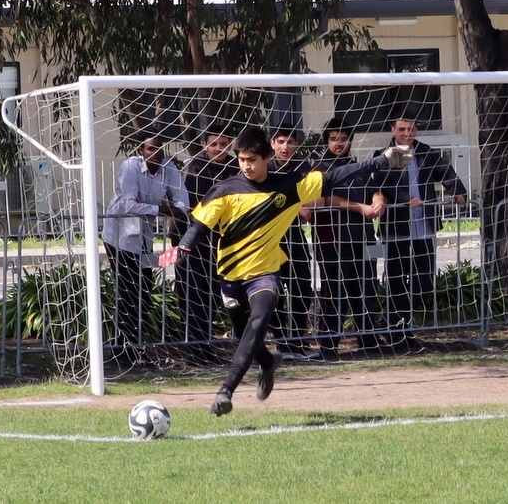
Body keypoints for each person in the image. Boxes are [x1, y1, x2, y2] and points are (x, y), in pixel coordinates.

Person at [159, 126, 413, 416]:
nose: (246, 165)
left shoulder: (289, 186)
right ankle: (267, 363)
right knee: (244, 336)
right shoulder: (224, 191)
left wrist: (383, 160)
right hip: (230, 277)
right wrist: (184, 248)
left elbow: (337, 175)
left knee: (257, 322)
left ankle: (225, 390)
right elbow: (199, 226)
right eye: (242, 159)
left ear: (267, 157)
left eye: (252, 159)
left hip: (265, 274)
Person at [373, 106, 467, 351]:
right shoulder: (385, 154)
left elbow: (445, 172)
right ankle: (399, 330)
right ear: (392, 130)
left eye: (411, 128)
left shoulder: (425, 152)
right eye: (402, 128)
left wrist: (457, 191)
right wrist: (404, 198)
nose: (407, 133)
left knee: (423, 280)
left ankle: (392, 321)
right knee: (396, 279)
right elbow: (381, 185)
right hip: (397, 227)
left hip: (423, 228)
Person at [101, 131, 188, 365]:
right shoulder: (130, 167)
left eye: (159, 149)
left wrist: (170, 208)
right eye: (150, 149)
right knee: (128, 292)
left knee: (144, 292)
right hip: (119, 237)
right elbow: (129, 204)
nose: (156, 153)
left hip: (145, 240)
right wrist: (162, 208)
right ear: (141, 151)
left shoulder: (169, 169)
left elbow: (183, 201)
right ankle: (121, 351)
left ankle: (136, 348)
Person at [311, 117, 390, 359]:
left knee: (365, 288)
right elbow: (324, 201)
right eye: (334, 139)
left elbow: (375, 190)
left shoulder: (360, 167)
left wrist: (378, 201)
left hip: (363, 237)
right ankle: (328, 345)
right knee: (334, 291)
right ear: (326, 141)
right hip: (332, 239)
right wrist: (359, 207)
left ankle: (368, 340)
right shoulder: (319, 170)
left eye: (343, 139)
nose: (339, 143)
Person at [168, 125, 238, 365]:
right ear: (205, 145)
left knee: (210, 295)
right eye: (214, 144)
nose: (219, 149)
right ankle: (195, 351)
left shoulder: (234, 166)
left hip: (218, 242)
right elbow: (187, 209)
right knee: (192, 294)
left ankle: (206, 348)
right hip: (191, 240)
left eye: (224, 144)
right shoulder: (194, 169)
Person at [266, 123, 319, 359]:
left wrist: (304, 206)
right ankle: (280, 341)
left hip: (294, 237)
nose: (285, 146)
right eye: (280, 141)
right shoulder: (264, 167)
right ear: (272, 144)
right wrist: (296, 206)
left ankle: (297, 339)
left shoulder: (303, 168)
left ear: (296, 144)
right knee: (272, 291)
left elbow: (313, 195)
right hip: (269, 239)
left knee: (302, 288)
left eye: (290, 142)